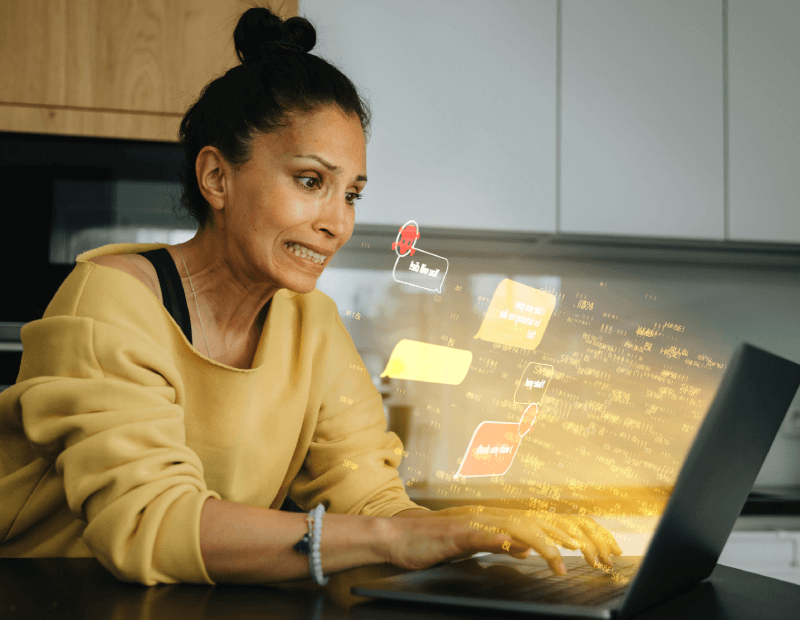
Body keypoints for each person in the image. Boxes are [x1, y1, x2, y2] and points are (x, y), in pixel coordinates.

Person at [0, 7, 621, 586]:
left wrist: (469, 527)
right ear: (218, 177)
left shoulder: (310, 325)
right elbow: (150, 525)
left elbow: (370, 502)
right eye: (309, 181)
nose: (337, 223)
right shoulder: (111, 302)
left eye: (350, 193)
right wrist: (391, 538)